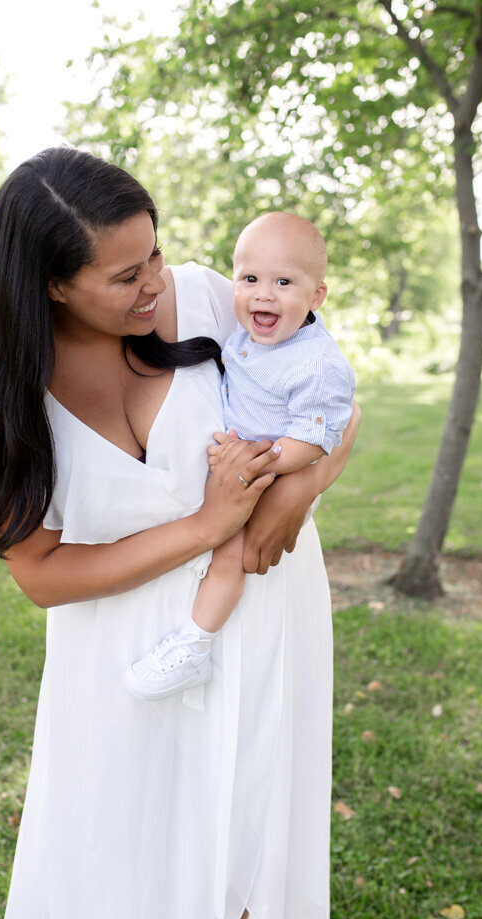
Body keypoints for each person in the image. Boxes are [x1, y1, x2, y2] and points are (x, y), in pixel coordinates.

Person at [0, 145, 360, 919]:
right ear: (53, 284)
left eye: (155, 256)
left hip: (261, 614)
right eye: (124, 274)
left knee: (233, 839)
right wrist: (207, 524)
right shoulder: (5, 393)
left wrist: (299, 490)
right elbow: (42, 574)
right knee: (114, 856)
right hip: (121, 653)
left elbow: (332, 401)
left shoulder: (214, 295)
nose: (155, 284)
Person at [123, 212, 355, 701]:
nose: (263, 294)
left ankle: (194, 645)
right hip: (244, 464)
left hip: (264, 473)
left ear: (317, 296)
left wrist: (258, 463)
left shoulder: (317, 363)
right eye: (250, 278)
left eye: (284, 282)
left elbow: (316, 437)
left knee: (228, 554)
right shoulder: (250, 335)